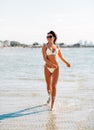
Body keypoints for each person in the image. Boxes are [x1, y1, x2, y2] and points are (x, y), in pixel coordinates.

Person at [42, 31, 71, 110]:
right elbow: (44, 58)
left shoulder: (57, 47)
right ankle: (49, 96)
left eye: (50, 36)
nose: (48, 38)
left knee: (54, 86)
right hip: (47, 68)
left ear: (54, 37)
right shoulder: (44, 46)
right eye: (47, 37)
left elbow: (61, 57)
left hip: (56, 68)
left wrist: (67, 63)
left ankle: (52, 104)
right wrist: (51, 64)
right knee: (48, 87)